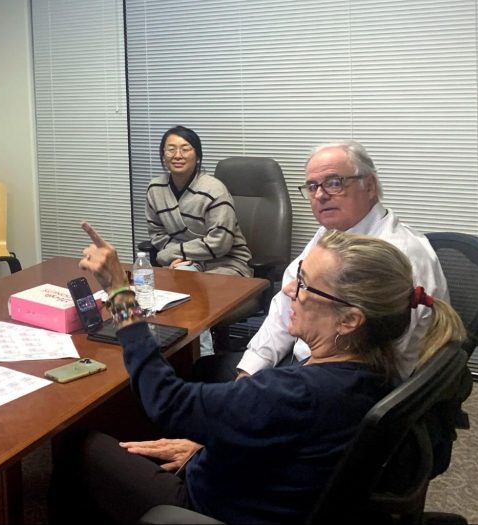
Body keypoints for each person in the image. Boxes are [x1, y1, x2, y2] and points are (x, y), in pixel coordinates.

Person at [52, 221, 464, 525]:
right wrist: (207, 446)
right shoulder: (377, 368)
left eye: (304, 284)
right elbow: (280, 436)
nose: (289, 291)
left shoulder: (292, 391)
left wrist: (121, 294)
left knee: (76, 442)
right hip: (265, 486)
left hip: (213, 505)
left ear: (349, 320)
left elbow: (168, 401)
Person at [139, 140, 450, 478]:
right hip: (306, 374)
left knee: (190, 413)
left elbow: (381, 372)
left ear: (370, 185)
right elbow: (283, 308)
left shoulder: (399, 258)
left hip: (339, 402)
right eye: (313, 186)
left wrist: (219, 440)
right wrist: (248, 374)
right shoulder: (331, 234)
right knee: (206, 371)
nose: (320, 195)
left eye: (334, 182)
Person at [145, 125, 252, 276]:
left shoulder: (214, 190)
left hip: (226, 263)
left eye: (185, 149)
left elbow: (220, 242)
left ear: (198, 156)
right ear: (163, 155)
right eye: (171, 149)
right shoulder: (155, 189)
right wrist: (182, 256)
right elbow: (157, 233)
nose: (177, 155)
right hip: (184, 261)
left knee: (198, 292)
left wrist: (175, 254)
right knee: (164, 288)